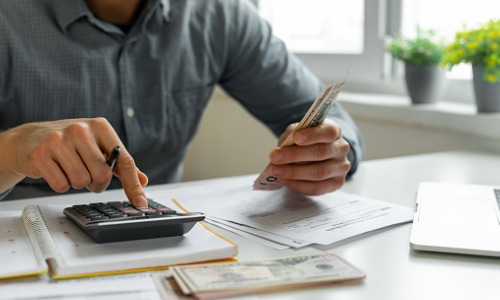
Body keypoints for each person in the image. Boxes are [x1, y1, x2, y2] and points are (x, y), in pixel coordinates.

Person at [0, 0, 364, 207]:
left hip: (169, 249)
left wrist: (327, 153)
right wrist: (10, 151)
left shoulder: (220, 15)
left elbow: (329, 119)